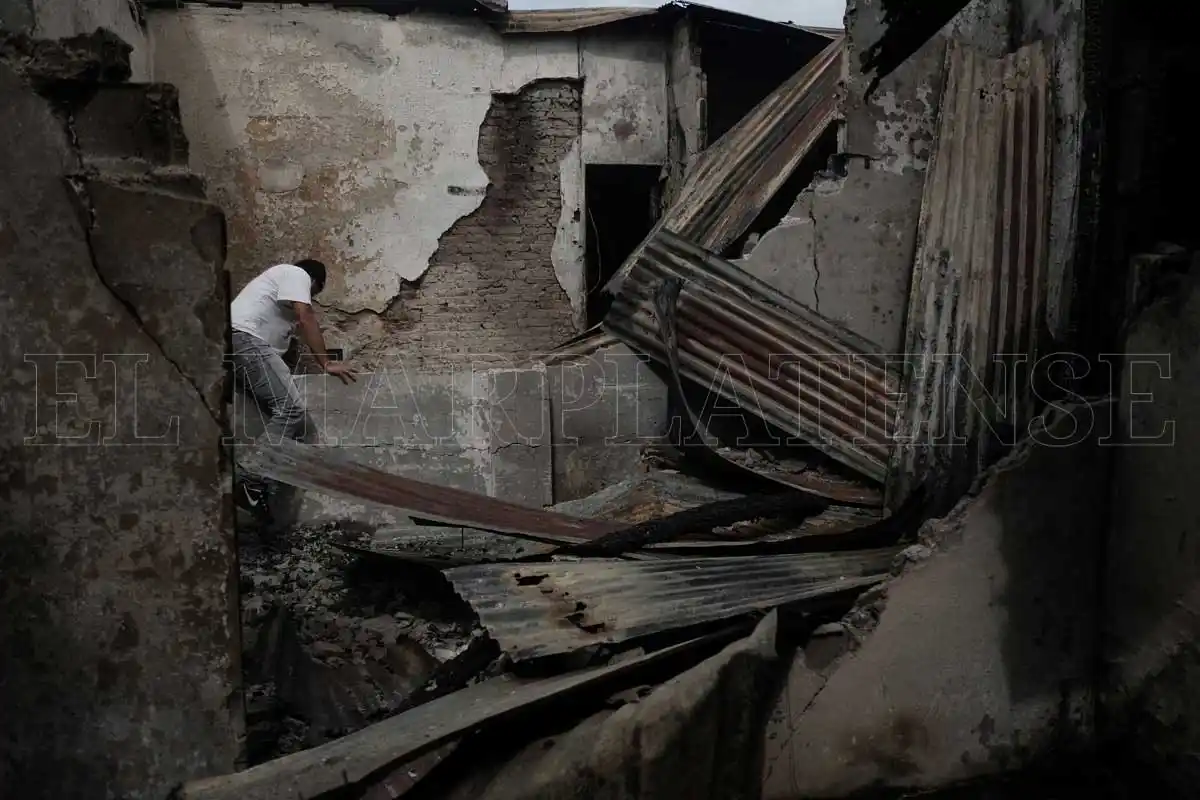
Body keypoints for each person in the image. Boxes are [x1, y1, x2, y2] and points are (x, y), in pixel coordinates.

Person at [230, 259, 357, 519]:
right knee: (291, 410)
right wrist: (325, 362)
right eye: (314, 293)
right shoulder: (295, 273)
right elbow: (305, 314)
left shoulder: (280, 312)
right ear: (313, 282)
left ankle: (263, 492)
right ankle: (249, 479)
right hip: (245, 341)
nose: (310, 298)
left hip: (244, 349)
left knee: (295, 427)